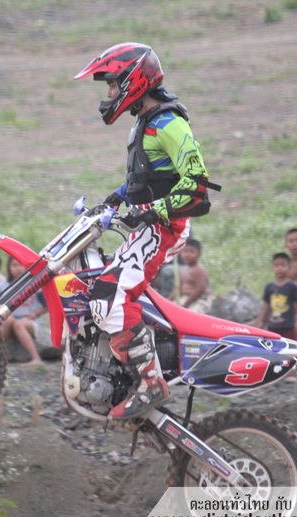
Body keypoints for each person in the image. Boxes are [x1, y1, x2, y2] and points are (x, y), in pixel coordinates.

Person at [75, 42, 220, 419]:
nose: (109, 94)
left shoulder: (169, 124)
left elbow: (196, 184)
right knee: (92, 282)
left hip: (166, 227)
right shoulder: (145, 121)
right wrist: (116, 199)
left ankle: (151, 382)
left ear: (133, 80)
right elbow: (146, 178)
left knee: (109, 299)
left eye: (112, 84)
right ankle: (115, 368)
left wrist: (154, 211)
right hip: (150, 224)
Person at [0, 257, 47, 366]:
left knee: (18, 324)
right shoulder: (2, 286)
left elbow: (47, 306)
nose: (18, 268)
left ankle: (36, 358)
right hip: (8, 321)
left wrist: (35, 314)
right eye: (14, 265)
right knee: (9, 320)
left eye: (21, 265)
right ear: (9, 268)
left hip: (29, 322)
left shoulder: (35, 283)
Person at [254, 252, 297, 340]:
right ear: (272, 268)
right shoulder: (269, 287)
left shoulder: (292, 286)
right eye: (276, 265)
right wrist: (261, 322)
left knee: (290, 346)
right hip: (272, 327)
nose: (280, 268)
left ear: (289, 267)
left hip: (289, 327)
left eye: (283, 265)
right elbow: (266, 307)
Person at [177, 239, 212, 313]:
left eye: (191, 252)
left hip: (200, 300)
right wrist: (169, 300)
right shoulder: (183, 269)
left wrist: (185, 305)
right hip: (185, 298)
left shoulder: (199, 269)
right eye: (185, 251)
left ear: (199, 254)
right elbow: (177, 287)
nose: (187, 254)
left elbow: (200, 289)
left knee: (188, 313)